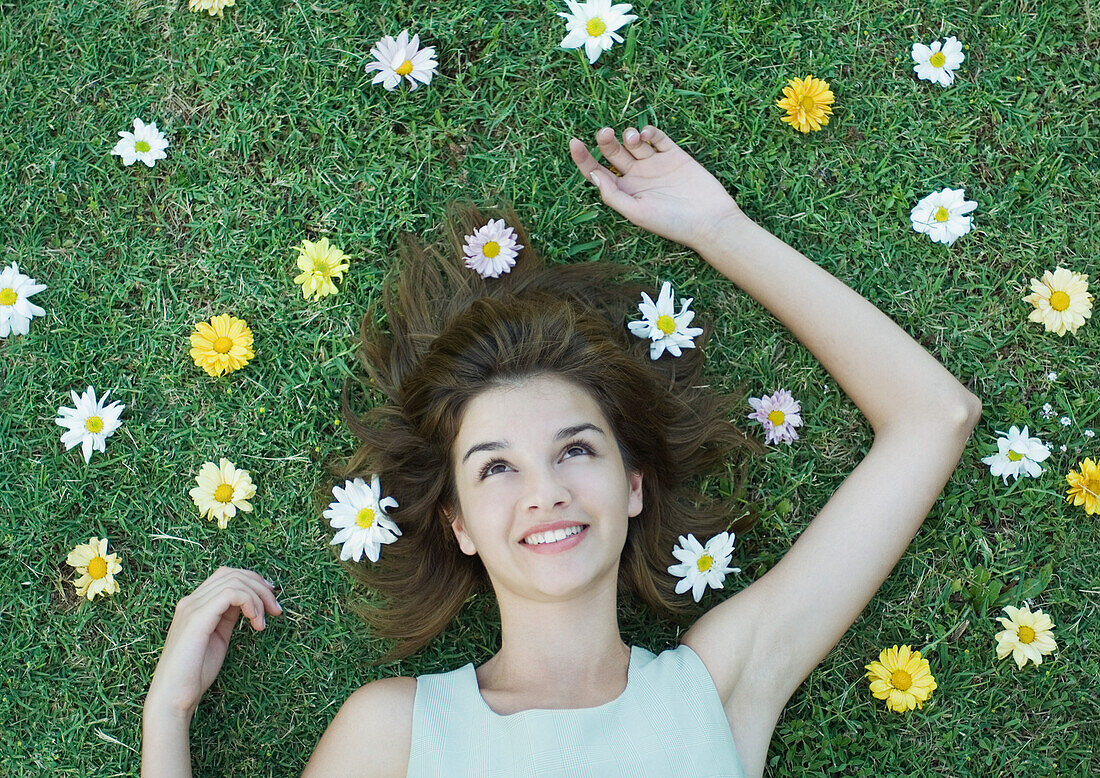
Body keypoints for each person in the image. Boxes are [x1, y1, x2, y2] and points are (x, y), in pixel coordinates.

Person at [141, 124, 982, 778]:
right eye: (497, 466)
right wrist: (168, 713)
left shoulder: (720, 690)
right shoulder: (394, 730)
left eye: (577, 450)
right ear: (460, 523)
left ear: (634, 486)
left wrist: (719, 228)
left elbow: (934, 415)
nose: (544, 491)